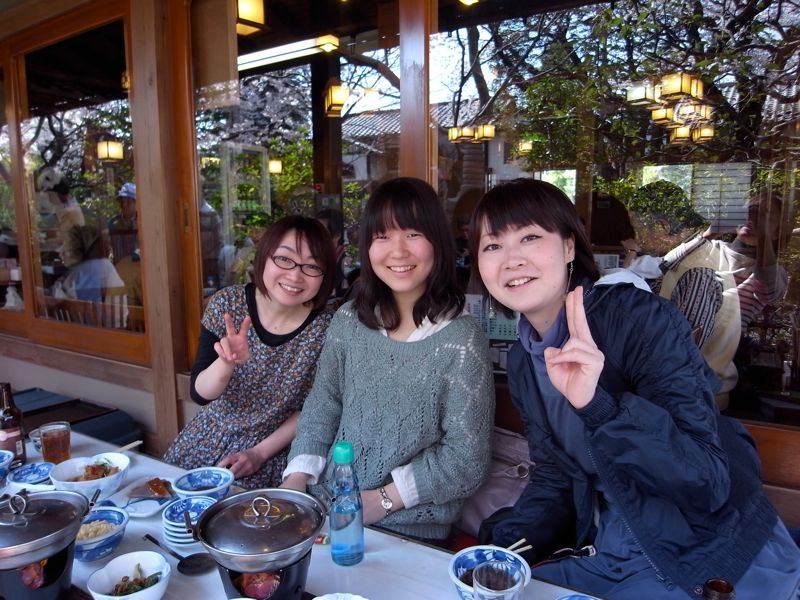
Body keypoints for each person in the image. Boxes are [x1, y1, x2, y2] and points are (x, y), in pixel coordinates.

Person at [469, 179, 800, 599]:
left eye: (530, 237)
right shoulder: (524, 359)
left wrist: (599, 406)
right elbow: (556, 476)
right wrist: (498, 553)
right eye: (492, 245)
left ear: (569, 247)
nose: (512, 259)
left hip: (707, 556)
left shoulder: (639, 320)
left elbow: (706, 482)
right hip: (613, 551)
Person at [282, 177, 495, 542]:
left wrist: (383, 499)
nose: (397, 252)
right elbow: (324, 405)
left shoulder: (461, 339)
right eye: (382, 236)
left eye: (413, 234)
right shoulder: (348, 321)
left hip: (410, 529)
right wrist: (296, 479)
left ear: (437, 242)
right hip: (326, 510)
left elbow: (466, 459)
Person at [163, 215, 338, 488]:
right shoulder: (227, 303)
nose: (295, 275)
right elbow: (200, 394)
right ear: (264, 257)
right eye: (284, 259)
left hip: (276, 449)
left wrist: (258, 453)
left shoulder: (328, 328)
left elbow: (314, 409)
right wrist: (226, 362)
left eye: (312, 266)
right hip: (208, 438)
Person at [629, 192, 790, 407]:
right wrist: (709, 233)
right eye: (748, 210)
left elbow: (769, 289)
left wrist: (763, 238)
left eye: (764, 214)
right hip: (662, 363)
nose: (752, 216)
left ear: (778, 232)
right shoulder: (709, 247)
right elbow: (661, 267)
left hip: (711, 376)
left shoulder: (772, 273)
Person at [107, 182, 138, 264]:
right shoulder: (113, 224)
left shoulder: (143, 223)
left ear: (136, 203)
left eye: (128, 201)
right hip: (119, 268)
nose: (124, 205)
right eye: (122, 201)